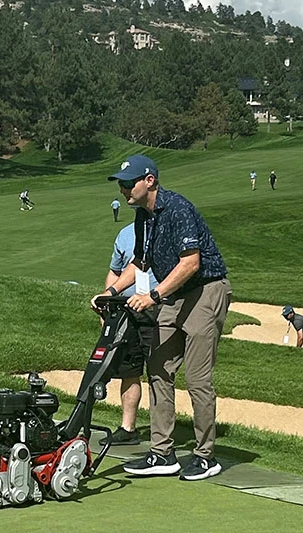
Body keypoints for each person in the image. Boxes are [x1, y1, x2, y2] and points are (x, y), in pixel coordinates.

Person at [93, 154, 230, 482]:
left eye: (129, 184)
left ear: (149, 181)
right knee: (158, 369)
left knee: (197, 379)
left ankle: (204, 455)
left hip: (205, 290)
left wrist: (153, 296)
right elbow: (140, 263)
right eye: (122, 185)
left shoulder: (178, 209)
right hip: (174, 294)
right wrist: (112, 292)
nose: (124, 190)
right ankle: (162, 452)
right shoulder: (142, 216)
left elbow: (190, 264)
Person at [99, 223, 158, 446]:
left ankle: (162, 433)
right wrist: (108, 304)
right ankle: (128, 427)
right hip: (127, 312)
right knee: (129, 371)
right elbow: (115, 271)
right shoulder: (125, 234)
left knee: (159, 373)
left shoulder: (162, 231)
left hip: (156, 310)